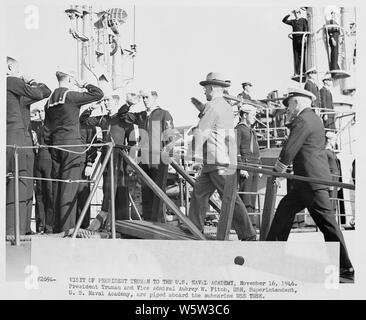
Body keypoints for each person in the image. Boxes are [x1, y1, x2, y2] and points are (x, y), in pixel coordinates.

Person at [266, 88, 354, 280]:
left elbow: (290, 149)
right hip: (305, 181)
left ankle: (345, 268)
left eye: (289, 105)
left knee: (327, 224)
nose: (288, 109)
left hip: (311, 181)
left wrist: (277, 172)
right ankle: (271, 255)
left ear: (297, 103)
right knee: (284, 212)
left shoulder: (304, 120)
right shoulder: (312, 118)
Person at [186, 72, 256, 241]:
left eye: (205, 88)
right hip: (218, 160)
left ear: (212, 88)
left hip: (217, 161)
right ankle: (193, 227)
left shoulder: (213, 106)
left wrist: (190, 154)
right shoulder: (225, 106)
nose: (204, 92)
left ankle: (248, 233)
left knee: (230, 197)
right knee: (199, 193)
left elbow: (202, 131)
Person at [44, 67, 104, 234]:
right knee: (70, 189)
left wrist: (52, 146)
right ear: (69, 79)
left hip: (55, 147)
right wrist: (84, 83)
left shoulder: (48, 102)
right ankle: (67, 229)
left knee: (58, 187)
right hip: (72, 147)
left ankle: (57, 228)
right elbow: (98, 93)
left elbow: (46, 131)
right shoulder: (69, 96)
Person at [79, 93, 139, 230]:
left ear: (116, 102)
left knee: (121, 192)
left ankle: (123, 224)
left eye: (108, 101)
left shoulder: (124, 120)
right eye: (104, 101)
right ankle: (106, 222)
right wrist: (90, 108)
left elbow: (133, 142)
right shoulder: (103, 119)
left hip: (120, 159)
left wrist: (131, 162)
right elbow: (83, 120)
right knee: (107, 189)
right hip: (106, 160)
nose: (105, 103)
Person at [6, 56, 49, 235]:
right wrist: (29, 80)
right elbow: (43, 92)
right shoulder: (10, 81)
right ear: (9, 67)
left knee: (14, 185)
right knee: (21, 185)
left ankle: (19, 228)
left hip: (9, 140)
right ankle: (15, 231)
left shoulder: (15, 96)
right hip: (18, 141)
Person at [235, 104, 261, 227]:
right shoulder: (239, 129)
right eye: (253, 115)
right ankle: (246, 225)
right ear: (245, 115)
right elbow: (235, 150)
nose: (255, 117)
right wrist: (241, 168)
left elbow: (256, 149)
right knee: (246, 196)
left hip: (255, 166)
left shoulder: (250, 130)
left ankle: (252, 223)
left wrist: (259, 165)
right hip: (246, 165)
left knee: (253, 196)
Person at [31, 108, 53, 233]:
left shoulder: (52, 125)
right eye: (39, 112)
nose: (40, 114)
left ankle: (49, 226)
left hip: (49, 160)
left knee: (49, 193)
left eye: (42, 111)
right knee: (39, 194)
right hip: (38, 160)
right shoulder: (36, 125)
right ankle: (40, 225)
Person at [282, 9, 309, 76]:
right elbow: (284, 21)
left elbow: (306, 28)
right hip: (295, 40)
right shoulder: (293, 21)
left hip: (302, 39)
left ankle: (303, 71)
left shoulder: (303, 20)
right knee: (296, 56)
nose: (296, 14)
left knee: (303, 55)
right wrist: (289, 14)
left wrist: (305, 38)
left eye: (297, 13)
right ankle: (297, 72)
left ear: (300, 13)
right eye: (295, 13)